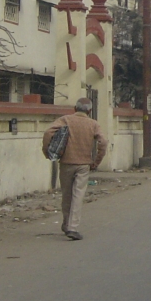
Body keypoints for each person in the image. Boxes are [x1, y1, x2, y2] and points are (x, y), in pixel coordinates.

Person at [42, 97, 107, 241]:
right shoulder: (93, 124)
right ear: (89, 110)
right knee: (78, 195)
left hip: (66, 162)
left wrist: (48, 152)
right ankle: (72, 227)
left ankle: (66, 224)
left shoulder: (65, 120)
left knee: (67, 195)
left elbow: (48, 133)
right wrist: (96, 161)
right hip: (84, 164)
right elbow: (103, 142)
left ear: (74, 108)